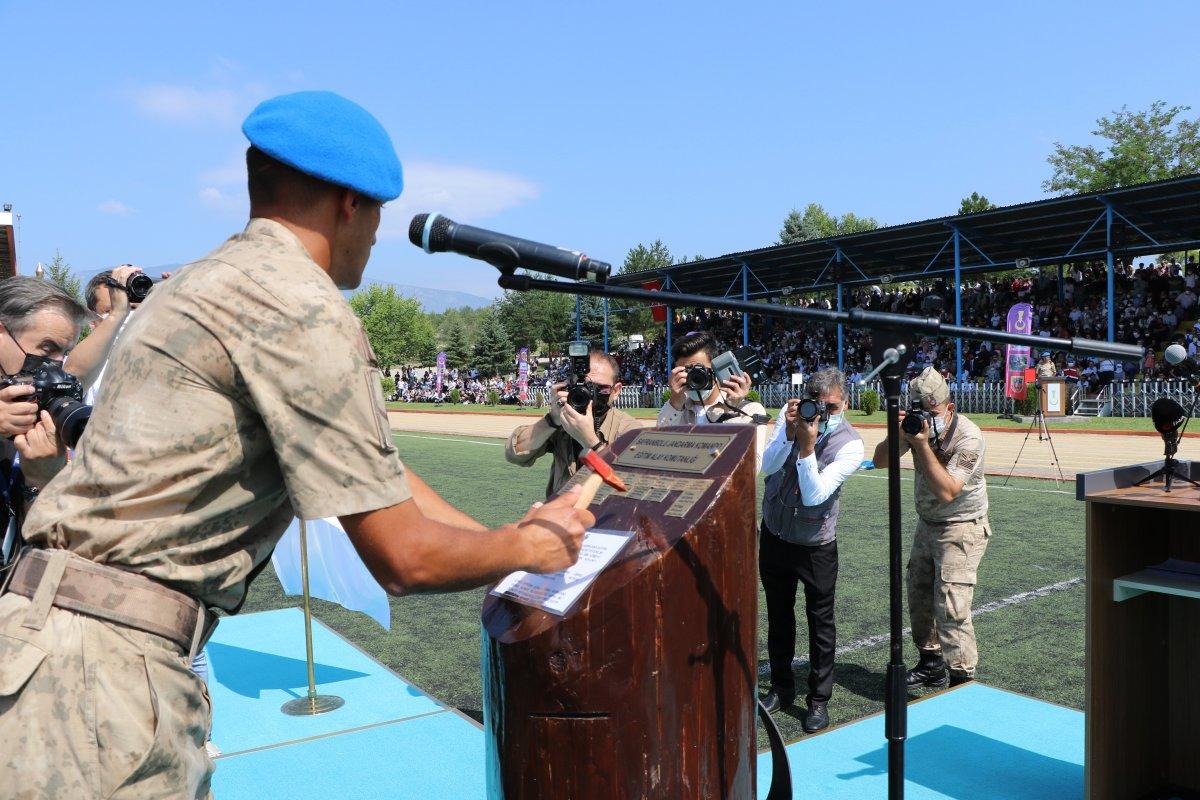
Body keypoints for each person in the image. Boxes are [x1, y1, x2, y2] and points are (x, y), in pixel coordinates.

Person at [0, 91, 594, 799]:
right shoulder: (301, 306)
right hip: (104, 677)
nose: (375, 235)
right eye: (378, 214)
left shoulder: (196, 284)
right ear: (350, 203)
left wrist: (494, 539)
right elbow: (403, 558)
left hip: (42, 638)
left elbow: (376, 472)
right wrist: (530, 548)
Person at [870, 367, 990, 690]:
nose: (925, 420)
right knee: (919, 594)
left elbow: (948, 490)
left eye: (931, 413)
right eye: (920, 412)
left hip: (962, 525)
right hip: (928, 523)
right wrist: (898, 435)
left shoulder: (969, 437)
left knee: (951, 605)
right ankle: (931, 663)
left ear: (950, 408)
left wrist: (921, 445)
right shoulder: (916, 429)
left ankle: (962, 680)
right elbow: (880, 461)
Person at [757, 368, 863, 732]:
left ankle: (818, 700)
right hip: (775, 534)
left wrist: (806, 447)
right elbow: (767, 466)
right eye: (817, 405)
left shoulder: (851, 445)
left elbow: (816, 495)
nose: (823, 414)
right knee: (778, 616)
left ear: (845, 404)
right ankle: (782, 688)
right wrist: (789, 434)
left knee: (821, 623)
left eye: (832, 407)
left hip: (816, 544)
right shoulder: (788, 418)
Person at [0, 277, 89, 566]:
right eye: (47, 348)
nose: (57, 366)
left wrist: (42, 480)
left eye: (65, 353)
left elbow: (43, 552)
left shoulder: (35, 414)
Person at [506, 350, 641, 499]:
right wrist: (552, 419)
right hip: (561, 511)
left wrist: (591, 442)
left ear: (616, 391)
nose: (590, 394)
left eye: (601, 388)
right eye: (585, 387)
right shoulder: (563, 419)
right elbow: (515, 454)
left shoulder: (630, 430)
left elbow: (632, 487)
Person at [657, 331, 768, 469]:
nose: (693, 376)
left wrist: (731, 412)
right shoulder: (675, 411)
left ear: (716, 369)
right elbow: (658, 454)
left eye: (699, 370)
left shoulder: (750, 411)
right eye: (685, 371)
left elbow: (750, 469)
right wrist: (674, 404)